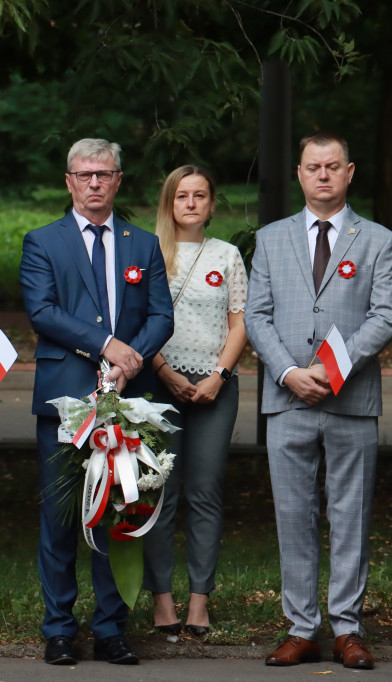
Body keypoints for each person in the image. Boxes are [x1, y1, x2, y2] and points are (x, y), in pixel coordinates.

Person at [243, 132, 392, 670]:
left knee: (350, 513)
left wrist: (330, 372)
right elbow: (256, 316)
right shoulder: (270, 238)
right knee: (293, 514)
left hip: (350, 400)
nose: (324, 175)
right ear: (300, 174)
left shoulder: (378, 239)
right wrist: (289, 372)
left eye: (333, 166)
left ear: (350, 172)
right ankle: (302, 627)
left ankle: (349, 629)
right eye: (314, 167)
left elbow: (383, 317)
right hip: (287, 400)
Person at [20, 138, 174, 666]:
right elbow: (41, 311)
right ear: (68, 181)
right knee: (62, 517)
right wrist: (105, 345)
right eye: (84, 175)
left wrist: (129, 360)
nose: (93, 183)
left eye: (103, 174)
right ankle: (59, 629)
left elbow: (161, 317)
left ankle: (111, 628)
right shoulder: (43, 241)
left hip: (127, 400)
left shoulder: (143, 243)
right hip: (65, 399)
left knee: (118, 512)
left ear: (118, 180)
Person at [142, 166, 248, 637]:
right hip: (158, 383)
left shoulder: (227, 255)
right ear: (169, 202)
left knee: (205, 492)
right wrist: (163, 371)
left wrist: (218, 375)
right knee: (159, 492)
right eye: (181, 195)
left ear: (211, 203)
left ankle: (198, 603)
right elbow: (138, 318)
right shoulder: (148, 251)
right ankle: (162, 601)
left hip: (215, 386)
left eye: (199, 195)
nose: (190, 203)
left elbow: (240, 322)